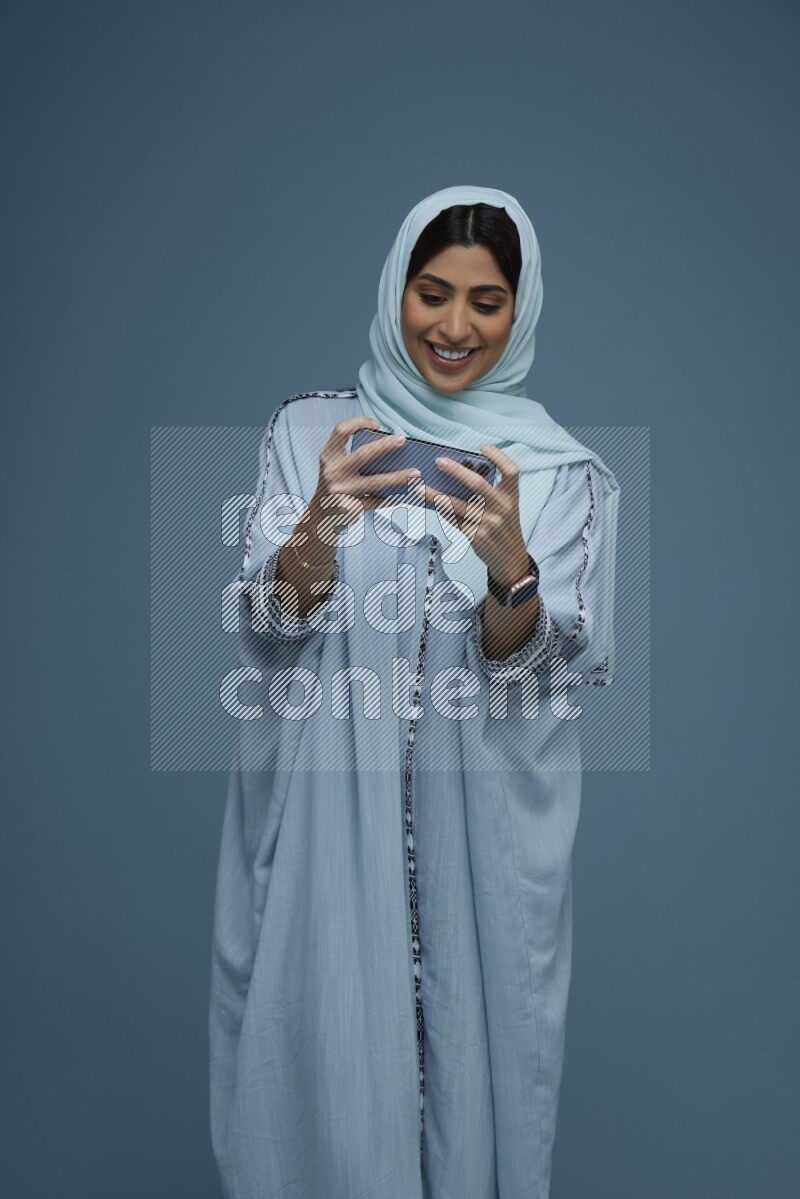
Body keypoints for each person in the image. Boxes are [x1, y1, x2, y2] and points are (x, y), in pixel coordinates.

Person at [209, 185, 619, 1199]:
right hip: (322, 838)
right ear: (396, 287)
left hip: (479, 839)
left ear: (519, 309)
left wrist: (510, 567)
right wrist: (320, 521)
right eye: (431, 293)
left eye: (485, 301)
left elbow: (533, 672)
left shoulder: (558, 474)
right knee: (325, 1089)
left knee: (470, 1101)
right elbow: (268, 626)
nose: (454, 326)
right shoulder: (311, 433)